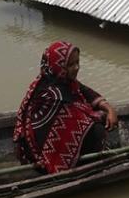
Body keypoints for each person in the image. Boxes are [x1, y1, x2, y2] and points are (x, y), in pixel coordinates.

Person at [13, 41, 118, 173]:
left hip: (50, 147)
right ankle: (83, 168)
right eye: (70, 65)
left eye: (77, 62)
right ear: (59, 66)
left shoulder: (61, 80)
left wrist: (109, 109)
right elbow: (82, 119)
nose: (76, 68)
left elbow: (87, 93)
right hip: (43, 159)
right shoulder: (52, 94)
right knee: (97, 128)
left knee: (98, 116)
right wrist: (102, 115)